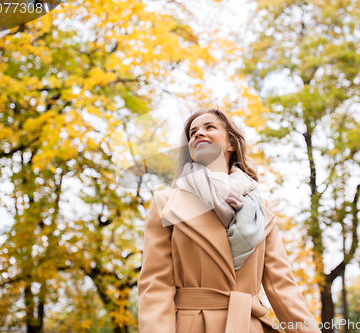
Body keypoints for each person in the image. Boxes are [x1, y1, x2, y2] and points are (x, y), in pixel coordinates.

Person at [137, 108, 322, 333]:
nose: (198, 134)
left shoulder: (260, 208)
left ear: (231, 143)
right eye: (193, 132)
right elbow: (155, 287)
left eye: (209, 127)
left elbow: (282, 287)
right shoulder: (166, 203)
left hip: (249, 326)